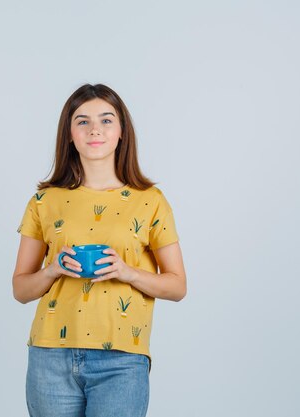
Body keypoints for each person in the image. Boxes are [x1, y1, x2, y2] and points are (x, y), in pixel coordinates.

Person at [12, 83, 187, 417]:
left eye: (107, 120)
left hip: (122, 360)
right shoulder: (43, 201)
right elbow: (20, 289)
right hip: (50, 357)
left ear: (122, 132)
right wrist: (53, 270)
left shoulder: (150, 201)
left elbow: (178, 286)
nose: (95, 129)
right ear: (69, 134)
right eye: (82, 121)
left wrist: (127, 272)